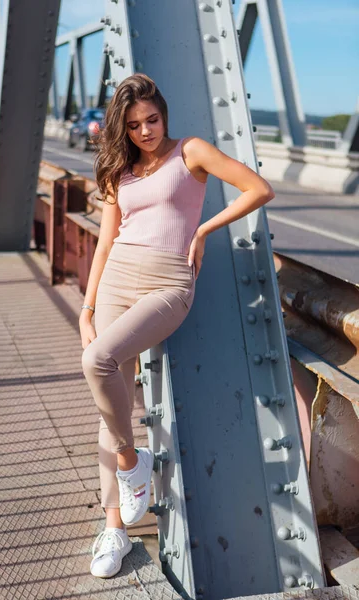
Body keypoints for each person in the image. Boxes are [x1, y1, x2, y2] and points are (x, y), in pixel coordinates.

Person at [79, 73, 275, 578]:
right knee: (109, 399)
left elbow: (258, 188)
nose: (145, 131)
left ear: (164, 114)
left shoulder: (191, 151)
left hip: (170, 284)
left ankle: (131, 463)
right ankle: (116, 529)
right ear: (122, 129)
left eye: (152, 120)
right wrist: (86, 306)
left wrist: (205, 228)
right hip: (117, 278)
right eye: (134, 125)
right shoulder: (119, 170)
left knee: (96, 360)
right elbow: (105, 243)